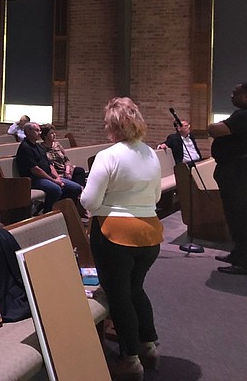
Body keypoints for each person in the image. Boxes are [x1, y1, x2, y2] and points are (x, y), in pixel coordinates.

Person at [80, 97, 163, 380]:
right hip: (150, 234)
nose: (104, 127)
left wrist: (108, 208)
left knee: (119, 297)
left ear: (114, 125)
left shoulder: (109, 155)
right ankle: (148, 345)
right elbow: (156, 198)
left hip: (116, 236)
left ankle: (130, 359)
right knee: (136, 288)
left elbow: (89, 202)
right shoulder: (151, 154)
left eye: (106, 122)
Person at [208, 82, 247, 275]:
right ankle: (238, 253)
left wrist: (212, 126)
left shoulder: (246, 115)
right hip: (235, 168)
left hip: (237, 169)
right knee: (233, 214)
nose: (231, 96)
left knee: (240, 216)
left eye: (235, 93)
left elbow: (214, 130)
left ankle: (245, 262)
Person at [16, 121, 82, 212]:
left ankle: (59, 209)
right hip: (34, 179)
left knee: (76, 188)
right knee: (56, 189)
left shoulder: (38, 146)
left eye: (39, 131)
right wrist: (54, 181)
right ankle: (48, 212)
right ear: (28, 131)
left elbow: (50, 164)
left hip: (47, 176)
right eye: (37, 131)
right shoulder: (25, 147)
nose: (39, 133)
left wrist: (58, 178)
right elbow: (35, 170)